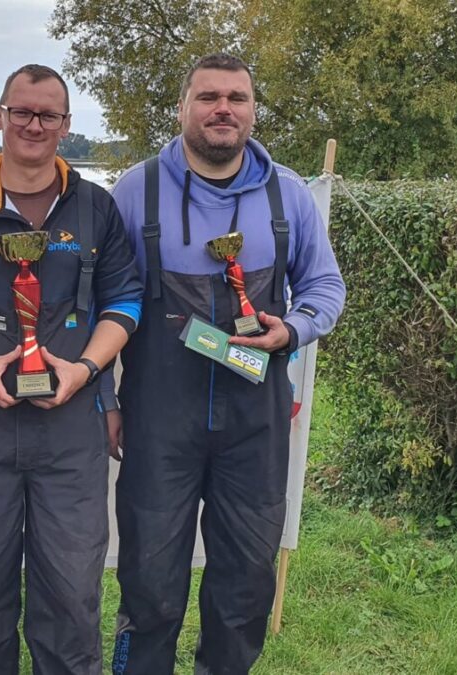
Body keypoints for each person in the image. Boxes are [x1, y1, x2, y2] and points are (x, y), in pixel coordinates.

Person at [107, 53, 346, 674]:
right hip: (160, 422)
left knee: (244, 583)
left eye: (236, 98)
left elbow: (325, 287)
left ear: (252, 110)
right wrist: (105, 399)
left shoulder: (287, 194)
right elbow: (103, 304)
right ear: (183, 108)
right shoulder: (136, 192)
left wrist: (292, 328)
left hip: (254, 422)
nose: (223, 109)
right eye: (209, 97)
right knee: (151, 583)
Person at [0, 64, 142, 674]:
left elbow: (124, 302)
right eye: (21, 111)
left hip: (71, 428)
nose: (33, 125)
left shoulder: (95, 208)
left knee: (72, 600)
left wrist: (85, 370)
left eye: (48, 115)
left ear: (66, 126)